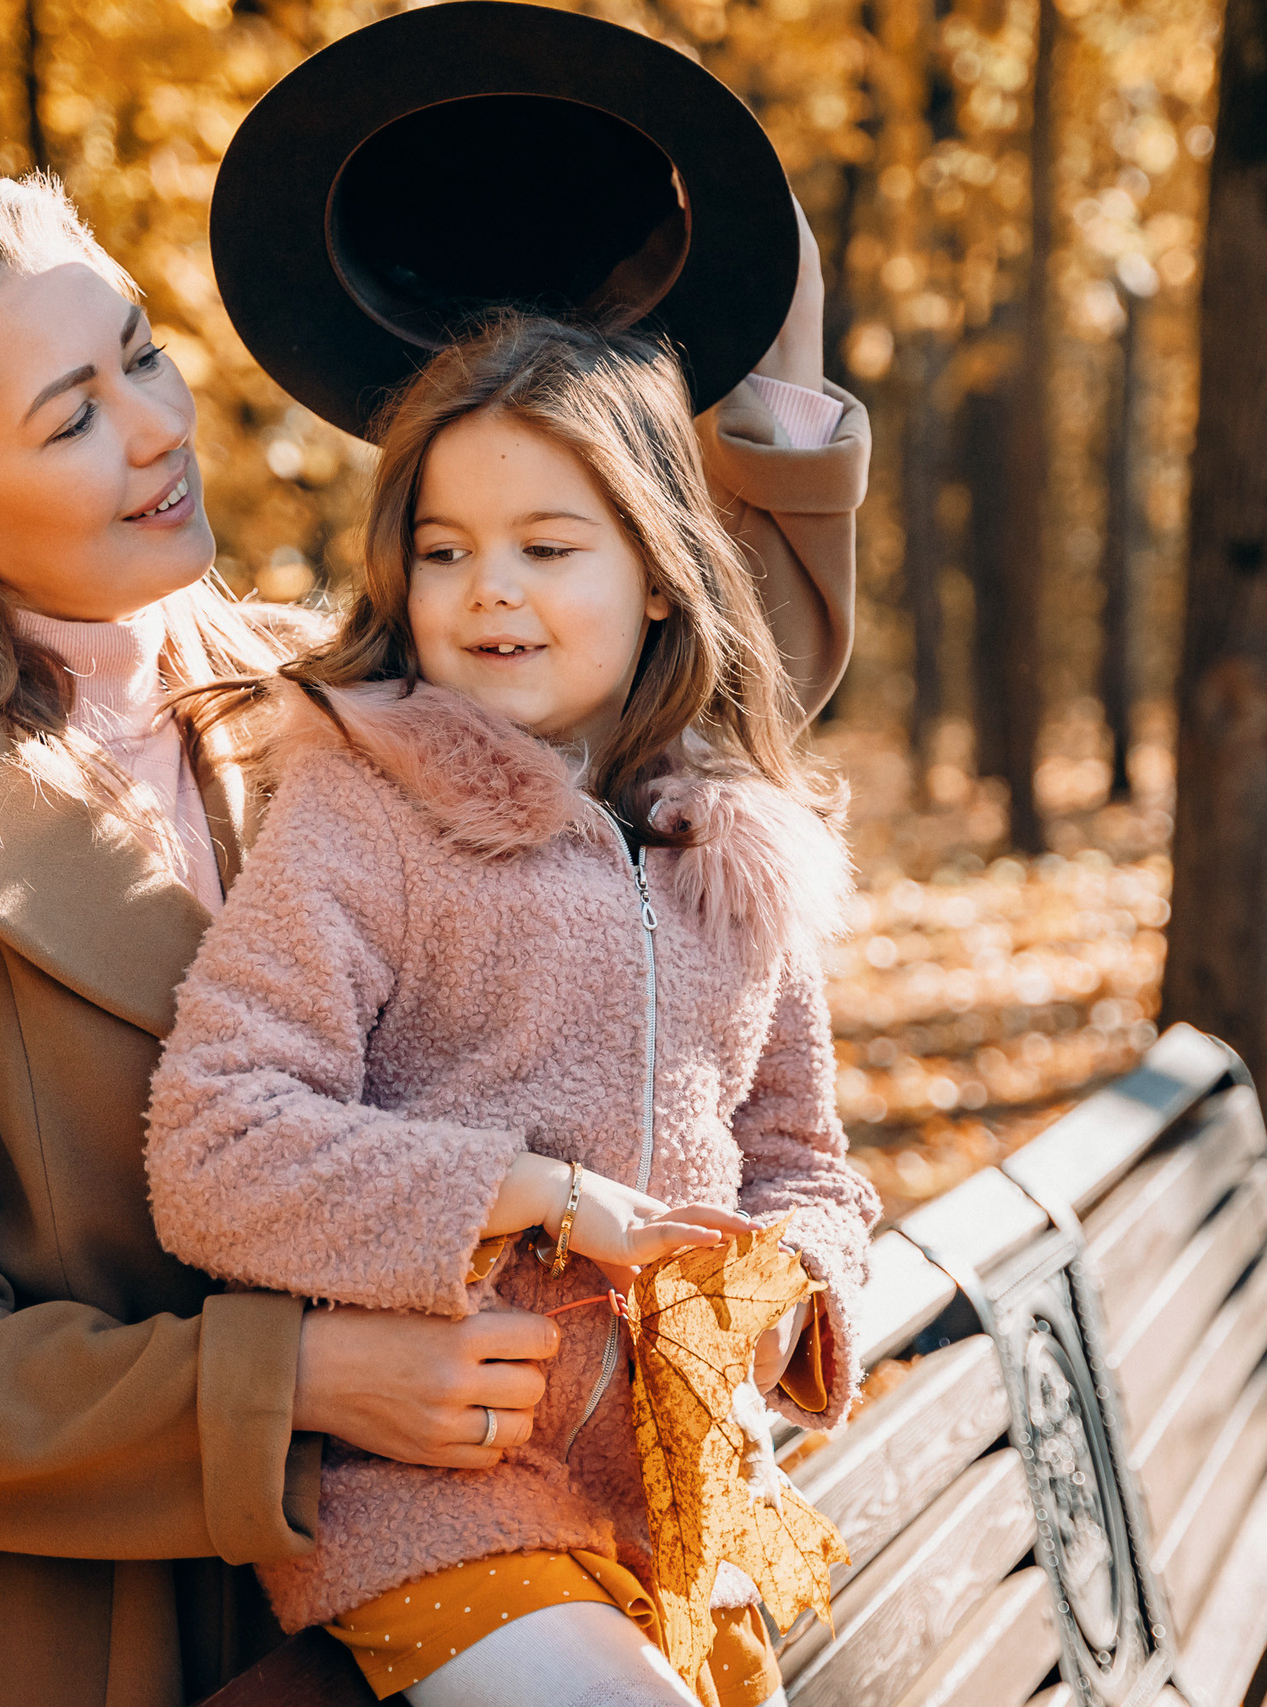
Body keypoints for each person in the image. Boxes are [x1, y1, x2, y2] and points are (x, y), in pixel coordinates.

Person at [0, 174, 869, 1706]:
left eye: (142, 355)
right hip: (118, 1648)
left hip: (485, 1560)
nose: (161, 428)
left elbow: (646, 641)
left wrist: (774, 385)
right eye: (71, 419)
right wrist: (295, 1386)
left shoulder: (308, 683)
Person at [141, 312, 882, 1707]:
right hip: (440, 1498)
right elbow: (211, 1146)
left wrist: (792, 1292)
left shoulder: (730, 845)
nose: (490, 594)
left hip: (673, 1508)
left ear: (662, 574)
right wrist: (538, 1197)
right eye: (445, 550)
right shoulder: (367, 815)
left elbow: (805, 1162)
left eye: (548, 548)